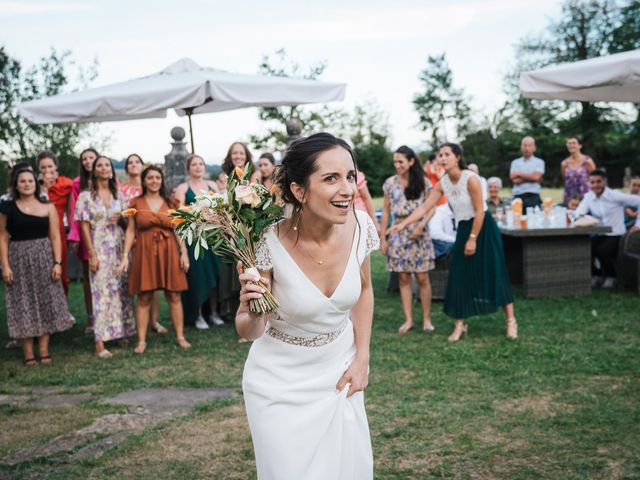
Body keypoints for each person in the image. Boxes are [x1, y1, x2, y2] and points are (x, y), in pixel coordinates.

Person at [237, 132, 377, 479]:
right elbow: (248, 330)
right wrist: (252, 306)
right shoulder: (267, 241)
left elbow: (365, 291)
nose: (347, 189)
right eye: (331, 178)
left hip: (340, 374)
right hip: (278, 383)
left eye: (349, 176)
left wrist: (362, 358)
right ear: (299, 191)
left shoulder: (361, 227)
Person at [392, 143, 517, 342]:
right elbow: (425, 207)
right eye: (440, 155)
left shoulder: (471, 179)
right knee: (459, 275)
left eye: (447, 154)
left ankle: (511, 321)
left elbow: (480, 212)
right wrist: (403, 224)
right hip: (464, 228)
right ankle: (460, 324)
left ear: (457, 157)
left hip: (483, 228)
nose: (442, 158)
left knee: (495, 271)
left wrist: (473, 239)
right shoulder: (442, 183)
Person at [0, 168, 74, 365]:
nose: (26, 184)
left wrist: (57, 262)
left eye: (30, 181)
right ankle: (28, 354)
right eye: (22, 181)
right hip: (18, 258)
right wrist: (5, 266)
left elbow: (56, 236)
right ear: (16, 185)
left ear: (36, 184)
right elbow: (2, 237)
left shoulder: (48, 207)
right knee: (22, 303)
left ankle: (43, 350)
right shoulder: (7, 207)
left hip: (44, 257)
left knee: (46, 301)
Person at [119, 165, 191, 353]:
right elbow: (130, 230)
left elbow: (179, 230)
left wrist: (184, 252)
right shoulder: (135, 202)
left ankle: (180, 336)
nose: (154, 181)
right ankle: (141, 340)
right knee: (144, 296)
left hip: (169, 251)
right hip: (144, 250)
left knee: (174, 295)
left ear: (162, 180)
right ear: (144, 181)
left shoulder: (172, 203)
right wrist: (125, 255)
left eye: (157, 177)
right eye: (150, 177)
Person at [75, 155, 135, 358]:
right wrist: (91, 254)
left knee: (120, 290)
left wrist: (122, 221)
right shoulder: (86, 196)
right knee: (100, 293)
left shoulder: (120, 195)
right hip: (99, 245)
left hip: (119, 245)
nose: (104, 168)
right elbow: (83, 226)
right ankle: (100, 340)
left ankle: (121, 332)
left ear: (111, 169)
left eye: (107, 164)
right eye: (99, 165)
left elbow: (130, 226)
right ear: (94, 170)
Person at [380, 145, 435, 334]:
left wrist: (421, 226)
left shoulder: (424, 182)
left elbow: (431, 208)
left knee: (422, 277)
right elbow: (386, 211)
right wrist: (383, 238)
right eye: (395, 161)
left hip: (420, 232)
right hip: (397, 233)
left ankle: (427, 319)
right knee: (403, 278)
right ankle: (409, 319)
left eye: (400, 161)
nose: (397, 165)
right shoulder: (389, 184)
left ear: (411, 162)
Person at [118, 153, 167, 335]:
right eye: (129, 162)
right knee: (138, 284)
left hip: (152, 241)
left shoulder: (152, 187)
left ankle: (154, 321)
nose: (133, 165)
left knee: (152, 284)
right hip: (133, 239)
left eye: (136, 161)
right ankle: (131, 322)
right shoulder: (122, 190)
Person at [174, 154, 223, 329]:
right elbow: (179, 217)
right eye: (194, 164)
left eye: (201, 164)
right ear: (188, 168)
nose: (198, 167)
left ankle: (214, 312)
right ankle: (198, 315)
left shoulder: (212, 186)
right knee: (198, 278)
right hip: (193, 238)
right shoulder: (182, 188)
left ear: (205, 167)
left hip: (213, 237)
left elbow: (221, 210)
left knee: (215, 276)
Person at [575, 169, 640, 288]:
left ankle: (612, 276)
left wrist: (638, 224)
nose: (595, 185)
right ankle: (597, 275)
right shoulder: (588, 197)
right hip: (599, 234)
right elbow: (579, 211)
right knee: (583, 248)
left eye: (598, 182)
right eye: (592, 182)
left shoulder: (614, 195)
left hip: (615, 233)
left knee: (602, 250)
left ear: (605, 182)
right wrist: (579, 216)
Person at [68, 147, 98, 333]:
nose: (87, 161)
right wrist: (75, 237)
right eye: (84, 158)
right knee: (88, 277)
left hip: (106, 234)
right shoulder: (77, 183)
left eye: (91, 157)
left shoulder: (110, 180)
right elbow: (73, 212)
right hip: (86, 234)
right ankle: (90, 318)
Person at [36, 151, 74, 296]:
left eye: (50, 166)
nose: (47, 171)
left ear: (56, 167)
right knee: (42, 273)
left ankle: (63, 310)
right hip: (38, 232)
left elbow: (72, 209)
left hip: (58, 233)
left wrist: (73, 233)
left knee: (61, 271)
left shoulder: (66, 184)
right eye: (43, 167)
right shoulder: (33, 185)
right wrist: (44, 188)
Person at [510, 136, 545, 209]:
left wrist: (519, 173)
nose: (527, 148)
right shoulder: (515, 162)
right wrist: (532, 178)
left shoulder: (539, 162)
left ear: (534, 147)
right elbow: (514, 180)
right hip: (518, 196)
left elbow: (536, 177)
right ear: (521, 147)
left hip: (534, 196)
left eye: (530, 145)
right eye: (525, 145)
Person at [561, 135, 596, 206]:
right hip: (570, 198)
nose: (571, 145)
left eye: (573, 143)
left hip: (585, 197)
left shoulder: (587, 161)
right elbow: (565, 180)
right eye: (569, 143)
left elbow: (595, 179)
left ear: (580, 146)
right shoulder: (564, 163)